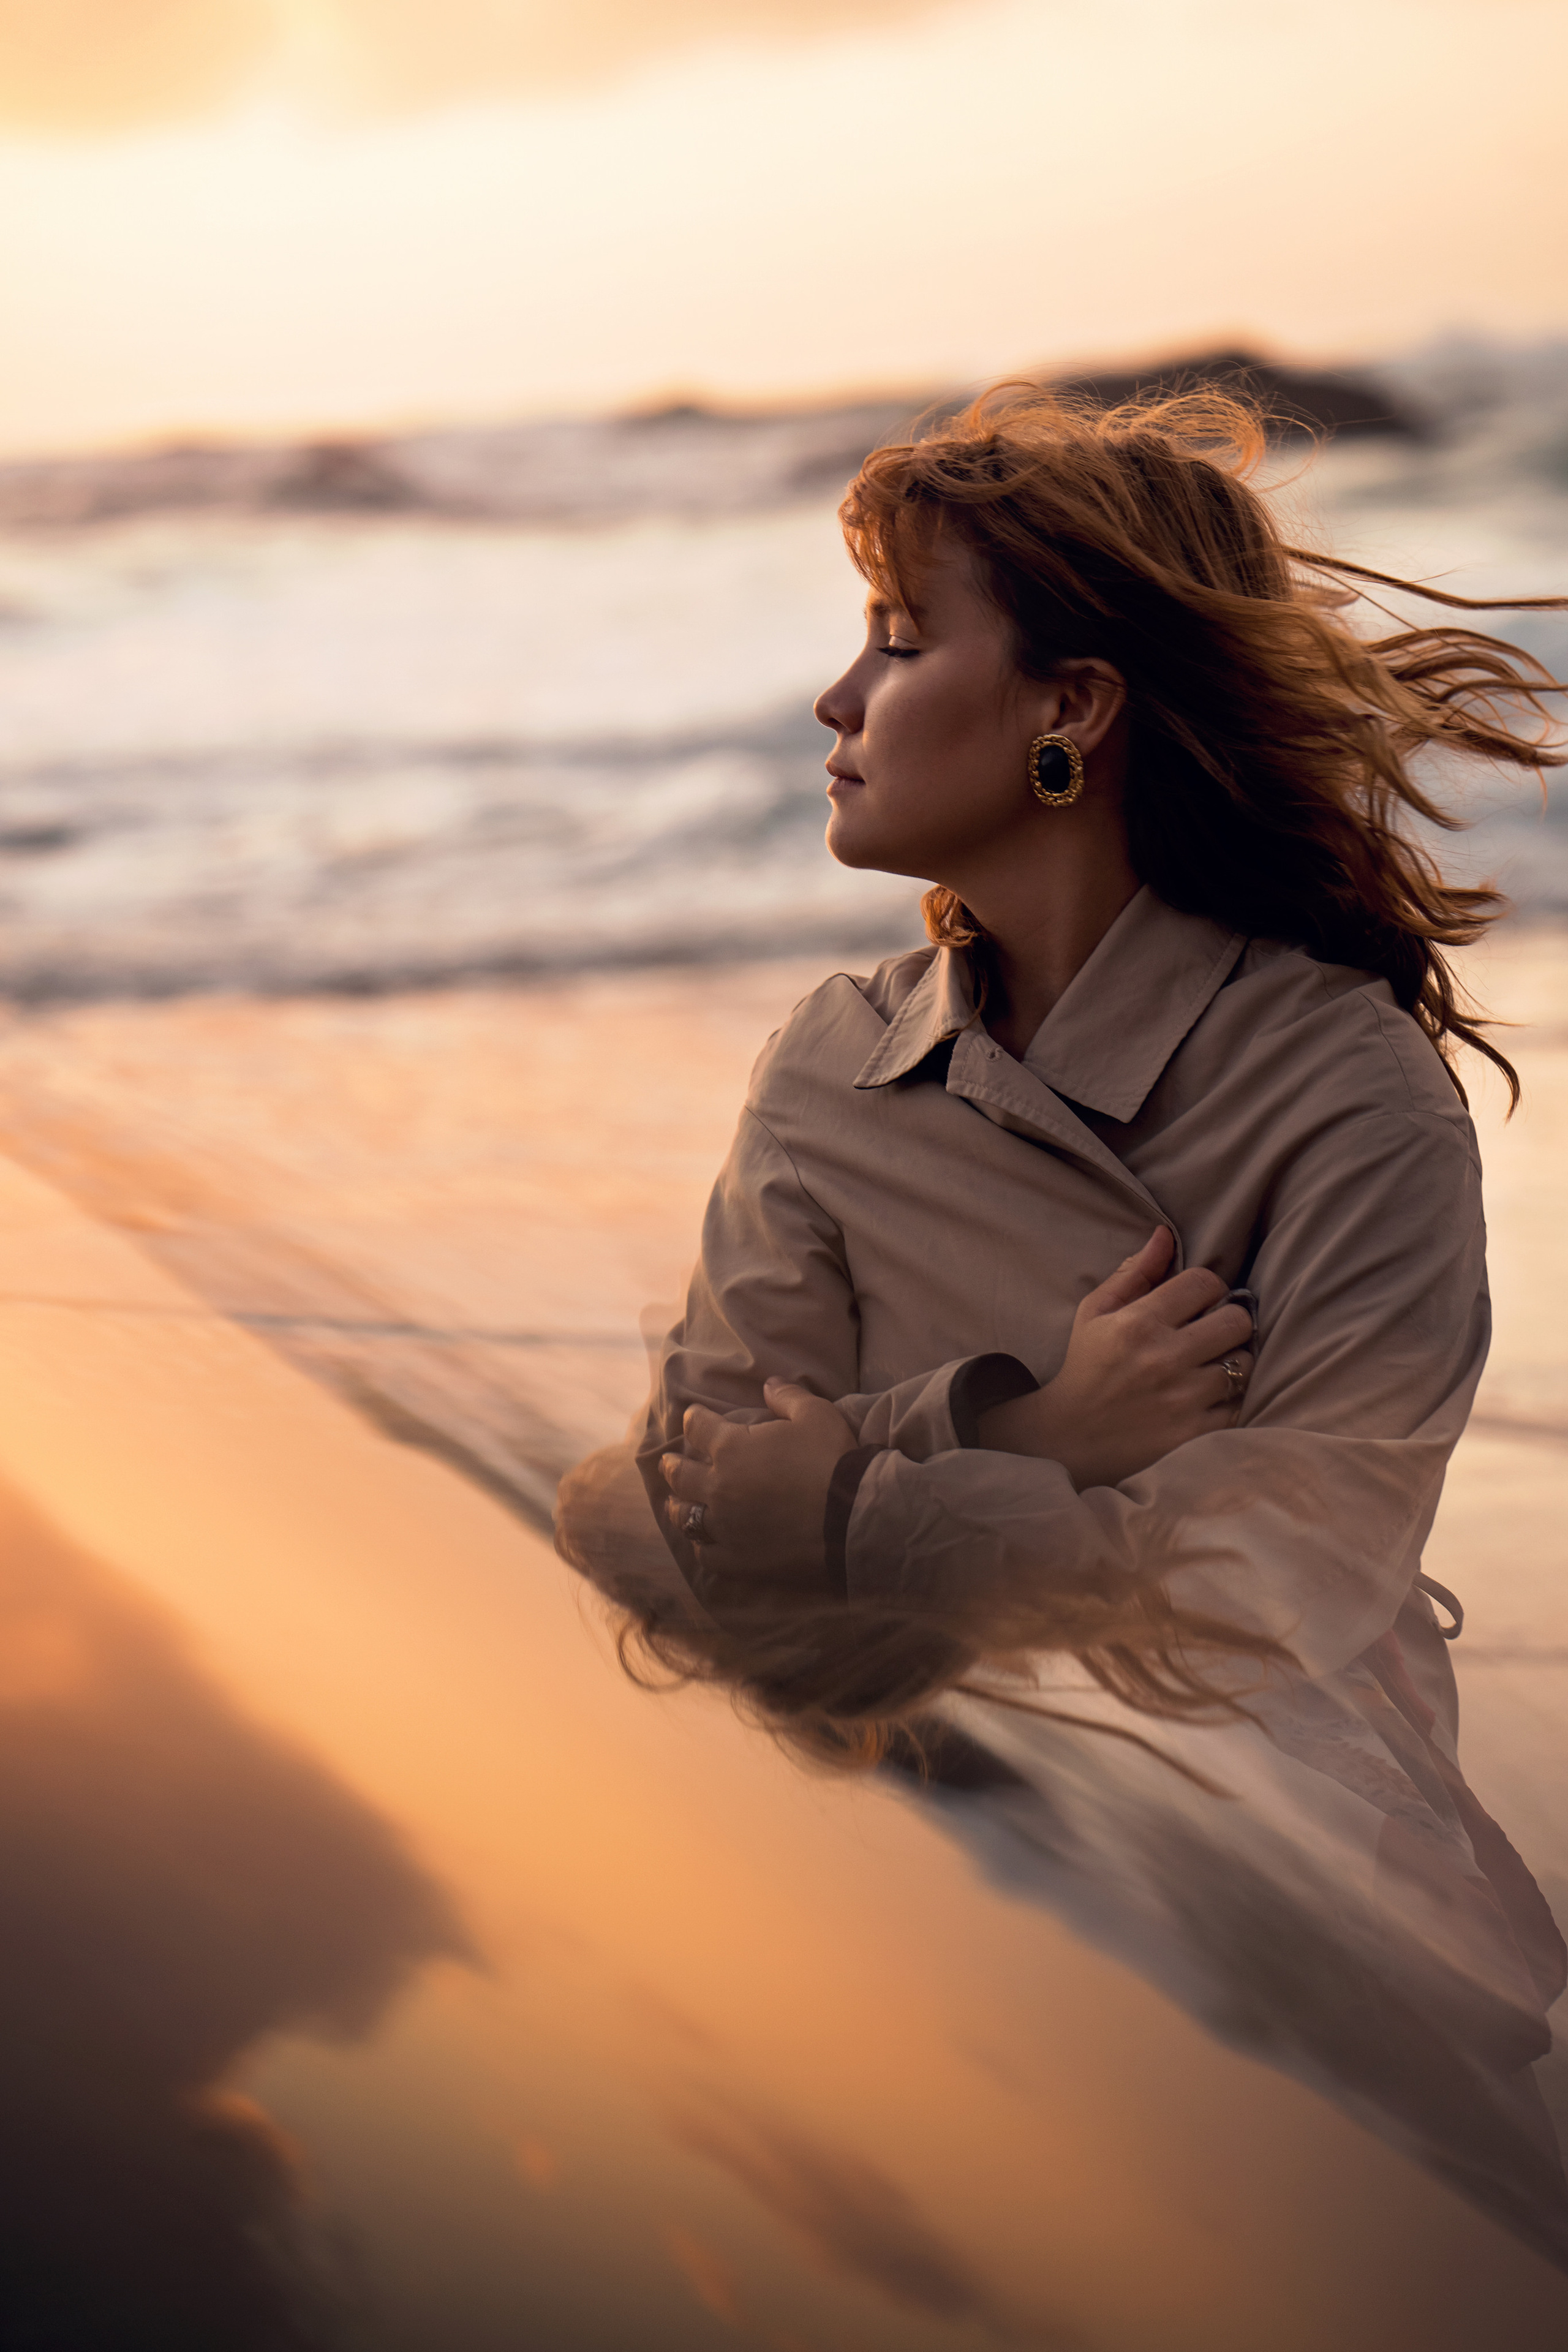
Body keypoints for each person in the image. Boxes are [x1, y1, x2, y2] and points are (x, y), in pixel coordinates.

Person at [556, 383, 1568, 2249]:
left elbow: (1266, 1594)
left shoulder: (1344, 1099)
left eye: (898, 641)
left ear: (1071, 712)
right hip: (901, 1898)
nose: (834, 703)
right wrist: (1011, 1433)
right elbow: (651, 1512)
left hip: (1296, 1942)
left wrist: (859, 1513)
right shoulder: (834, 1062)